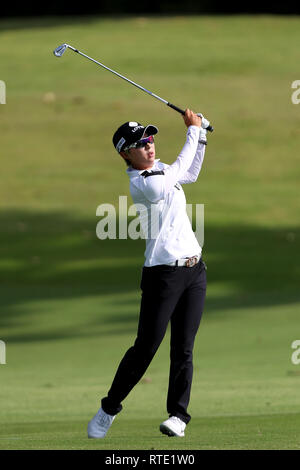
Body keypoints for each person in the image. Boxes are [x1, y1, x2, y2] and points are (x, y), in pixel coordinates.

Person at [87, 109, 207, 438]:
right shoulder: (144, 183)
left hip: (194, 271)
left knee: (184, 347)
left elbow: (190, 172)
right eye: (141, 143)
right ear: (126, 153)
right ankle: (109, 408)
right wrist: (193, 131)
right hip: (163, 277)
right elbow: (179, 170)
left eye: (150, 138)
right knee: (145, 348)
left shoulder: (161, 169)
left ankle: (178, 416)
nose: (150, 145)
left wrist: (202, 136)